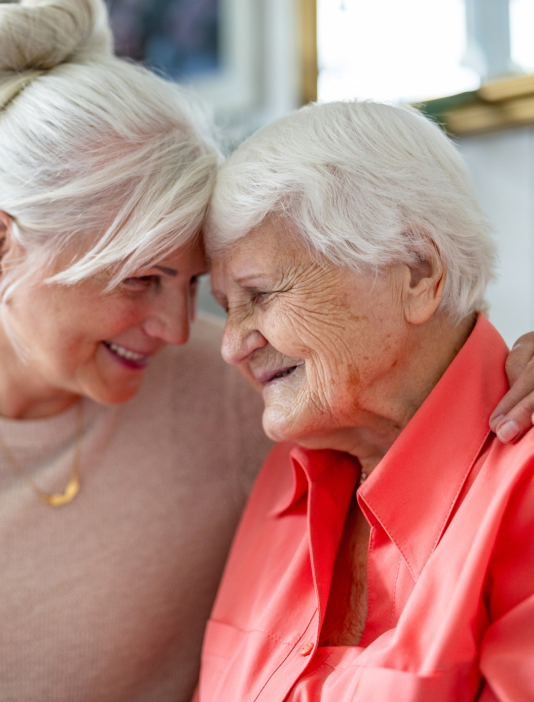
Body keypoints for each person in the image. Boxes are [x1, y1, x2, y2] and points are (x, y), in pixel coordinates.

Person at [0, 4, 532, 699]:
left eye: (193, 286)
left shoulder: (243, 396)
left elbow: (415, 361)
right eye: (141, 280)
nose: (186, 332)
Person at [198, 100, 534, 701]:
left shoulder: (521, 487)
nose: (230, 345)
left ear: (417, 272)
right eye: (226, 308)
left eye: (262, 294)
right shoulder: (282, 477)